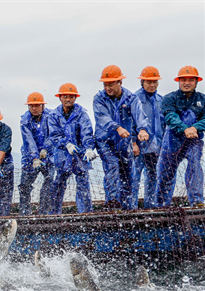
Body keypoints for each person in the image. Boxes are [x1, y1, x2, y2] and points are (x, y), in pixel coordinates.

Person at [93, 65, 151, 210]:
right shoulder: (99, 98)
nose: (108, 88)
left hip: (124, 142)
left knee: (127, 173)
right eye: (105, 84)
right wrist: (117, 127)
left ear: (120, 82)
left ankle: (127, 207)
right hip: (105, 141)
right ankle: (112, 203)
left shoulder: (131, 98)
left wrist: (142, 130)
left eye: (111, 84)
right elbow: (102, 118)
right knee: (112, 166)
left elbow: (139, 115)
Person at [156, 65, 205, 208]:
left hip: (194, 141)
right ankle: (161, 205)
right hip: (172, 141)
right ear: (178, 81)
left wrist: (195, 127)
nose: (187, 82)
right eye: (183, 79)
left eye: (191, 80)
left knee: (195, 164)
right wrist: (185, 129)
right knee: (165, 174)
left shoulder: (203, 100)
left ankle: (197, 201)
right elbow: (170, 117)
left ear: (196, 82)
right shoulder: (169, 98)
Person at [47, 83, 98, 214]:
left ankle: (85, 214)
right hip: (62, 156)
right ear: (60, 98)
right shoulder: (53, 115)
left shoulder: (82, 114)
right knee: (58, 184)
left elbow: (87, 132)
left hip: (79, 155)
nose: (68, 99)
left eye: (71, 96)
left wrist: (88, 148)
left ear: (75, 98)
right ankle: (54, 215)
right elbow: (54, 135)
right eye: (65, 96)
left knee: (83, 184)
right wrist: (66, 144)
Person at [130, 66, 164, 210]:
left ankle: (151, 207)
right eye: (148, 82)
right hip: (139, 148)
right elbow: (129, 122)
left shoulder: (161, 100)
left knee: (153, 177)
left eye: (154, 82)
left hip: (157, 147)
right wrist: (133, 142)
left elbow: (164, 125)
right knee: (134, 177)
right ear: (142, 82)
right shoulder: (134, 98)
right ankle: (131, 208)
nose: (152, 85)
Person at [17, 92, 56, 215]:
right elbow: (28, 140)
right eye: (31, 106)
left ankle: (44, 212)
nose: (34, 108)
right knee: (25, 186)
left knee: (49, 183)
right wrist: (34, 157)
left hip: (48, 157)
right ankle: (25, 213)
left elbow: (53, 134)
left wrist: (46, 149)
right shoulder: (25, 120)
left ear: (42, 106)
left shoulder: (51, 116)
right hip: (29, 158)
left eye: (37, 105)